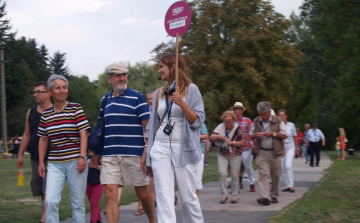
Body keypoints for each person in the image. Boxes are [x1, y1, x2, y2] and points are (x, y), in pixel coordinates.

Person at [91, 62, 155, 223]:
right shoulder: (105, 100)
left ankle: (153, 220)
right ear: (109, 79)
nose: (122, 78)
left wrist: (146, 151)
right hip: (110, 155)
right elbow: (101, 128)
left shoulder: (137, 97)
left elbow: (148, 127)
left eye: (124, 74)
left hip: (134, 154)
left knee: (142, 194)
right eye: (118, 75)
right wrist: (96, 153)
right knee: (110, 193)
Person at [144, 53, 205, 223]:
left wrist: (183, 104)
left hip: (183, 149)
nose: (159, 70)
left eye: (161, 66)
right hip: (160, 148)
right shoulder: (159, 93)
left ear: (172, 67)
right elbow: (152, 126)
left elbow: (198, 121)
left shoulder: (191, 90)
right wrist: (147, 152)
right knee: (164, 199)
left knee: (188, 198)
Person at [38, 74, 91, 223]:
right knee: (50, 201)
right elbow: (43, 139)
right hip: (55, 163)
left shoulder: (75, 108)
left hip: (76, 162)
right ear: (50, 92)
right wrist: (42, 162)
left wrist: (82, 157)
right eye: (58, 88)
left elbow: (84, 134)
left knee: (77, 202)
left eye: (64, 87)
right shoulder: (46, 114)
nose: (62, 90)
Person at [17, 81, 52, 223]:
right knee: (39, 189)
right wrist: (20, 153)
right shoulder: (30, 112)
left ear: (48, 93)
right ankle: (47, 215)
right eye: (34, 92)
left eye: (39, 92)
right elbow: (26, 135)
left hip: (52, 157)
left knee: (47, 189)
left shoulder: (55, 111)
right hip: (35, 158)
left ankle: (45, 218)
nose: (35, 94)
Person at [250, 101, 287, 205]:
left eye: (264, 115)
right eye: (260, 114)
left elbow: (285, 135)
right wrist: (255, 135)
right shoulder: (256, 121)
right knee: (264, 174)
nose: (262, 117)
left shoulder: (278, 121)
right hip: (261, 151)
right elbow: (249, 135)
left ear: (269, 112)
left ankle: (274, 195)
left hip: (275, 152)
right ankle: (265, 197)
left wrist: (273, 134)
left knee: (276, 175)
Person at [210, 111, 246, 204]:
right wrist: (218, 136)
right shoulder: (220, 127)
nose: (227, 124)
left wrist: (233, 143)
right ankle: (224, 195)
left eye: (229, 122)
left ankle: (234, 195)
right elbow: (211, 137)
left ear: (233, 120)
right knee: (222, 173)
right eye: (225, 122)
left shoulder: (238, 129)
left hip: (235, 154)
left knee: (234, 175)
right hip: (223, 154)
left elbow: (243, 142)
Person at [232, 102, 256, 192]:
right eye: (235, 109)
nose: (236, 110)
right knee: (234, 167)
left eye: (238, 109)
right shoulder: (232, 121)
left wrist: (253, 144)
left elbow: (253, 133)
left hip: (246, 147)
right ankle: (236, 185)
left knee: (248, 166)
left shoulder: (247, 120)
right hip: (235, 147)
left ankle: (251, 183)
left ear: (242, 111)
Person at [278, 109, 299, 193]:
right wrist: (281, 150)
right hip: (281, 148)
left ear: (286, 116)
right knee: (282, 167)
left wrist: (297, 148)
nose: (281, 117)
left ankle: (291, 185)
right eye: (280, 115)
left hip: (290, 147)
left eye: (283, 115)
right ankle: (286, 185)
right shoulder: (277, 126)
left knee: (288, 165)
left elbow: (295, 137)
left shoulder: (291, 125)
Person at [87, 149, 104, 223]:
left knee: (93, 203)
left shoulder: (99, 155)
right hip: (87, 183)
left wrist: (97, 166)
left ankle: (93, 221)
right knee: (93, 203)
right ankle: (98, 219)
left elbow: (106, 168)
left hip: (98, 183)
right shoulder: (84, 156)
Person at [196, 123, 209, 197]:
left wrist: (194, 137)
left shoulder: (199, 122)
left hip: (199, 151)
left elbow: (206, 135)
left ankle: (196, 200)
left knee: (198, 176)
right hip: (184, 152)